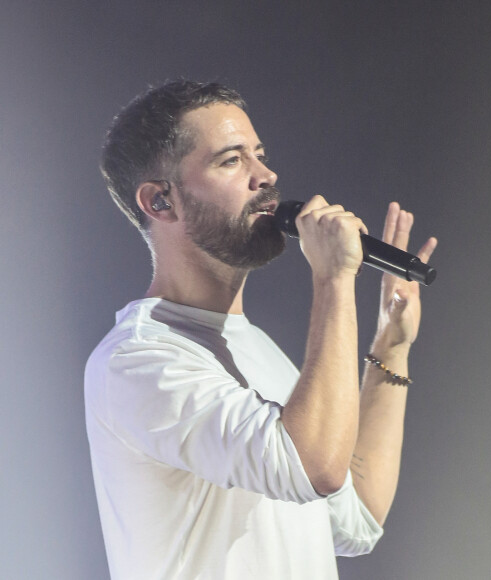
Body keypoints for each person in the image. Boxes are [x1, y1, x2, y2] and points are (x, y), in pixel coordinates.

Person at [85, 80, 437, 580]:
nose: (266, 175)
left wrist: (393, 345)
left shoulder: (256, 348)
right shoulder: (139, 360)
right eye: (232, 160)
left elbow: (357, 518)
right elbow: (312, 467)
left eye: (260, 154)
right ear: (160, 201)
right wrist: (334, 278)